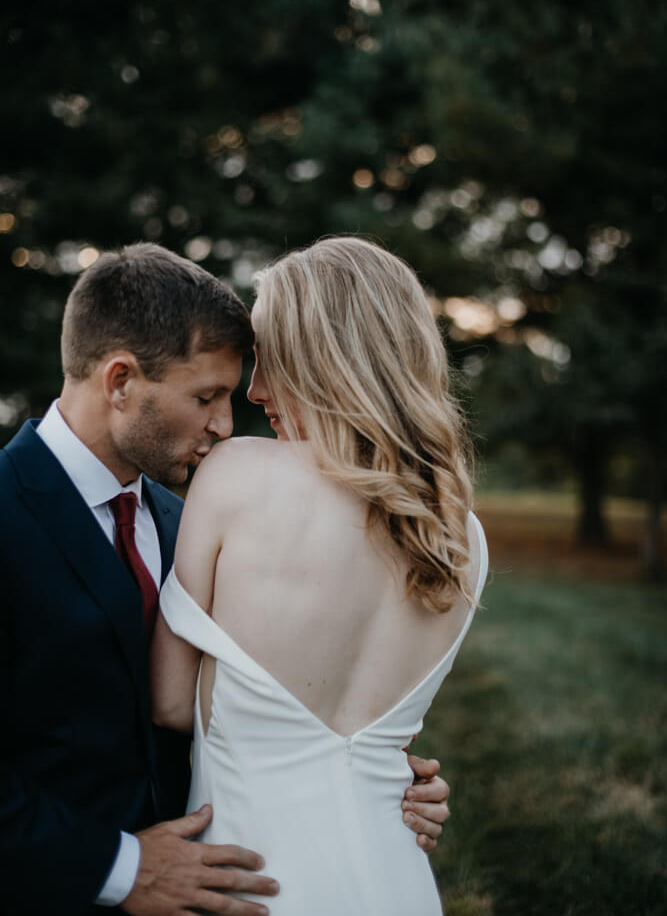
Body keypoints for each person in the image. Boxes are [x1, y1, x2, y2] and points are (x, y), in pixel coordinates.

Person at [0, 242, 449, 916]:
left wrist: (381, 774)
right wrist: (122, 869)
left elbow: (255, 701)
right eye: (206, 396)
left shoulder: (198, 520)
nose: (223, 423)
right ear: (120, 382)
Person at [152, 236, 488, 915]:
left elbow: (167, 704)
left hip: (247, 885)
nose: (254, 391)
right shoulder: (460, 534)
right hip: (397, 883)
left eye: (271, 361)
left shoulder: (237, 476)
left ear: (329, 360)